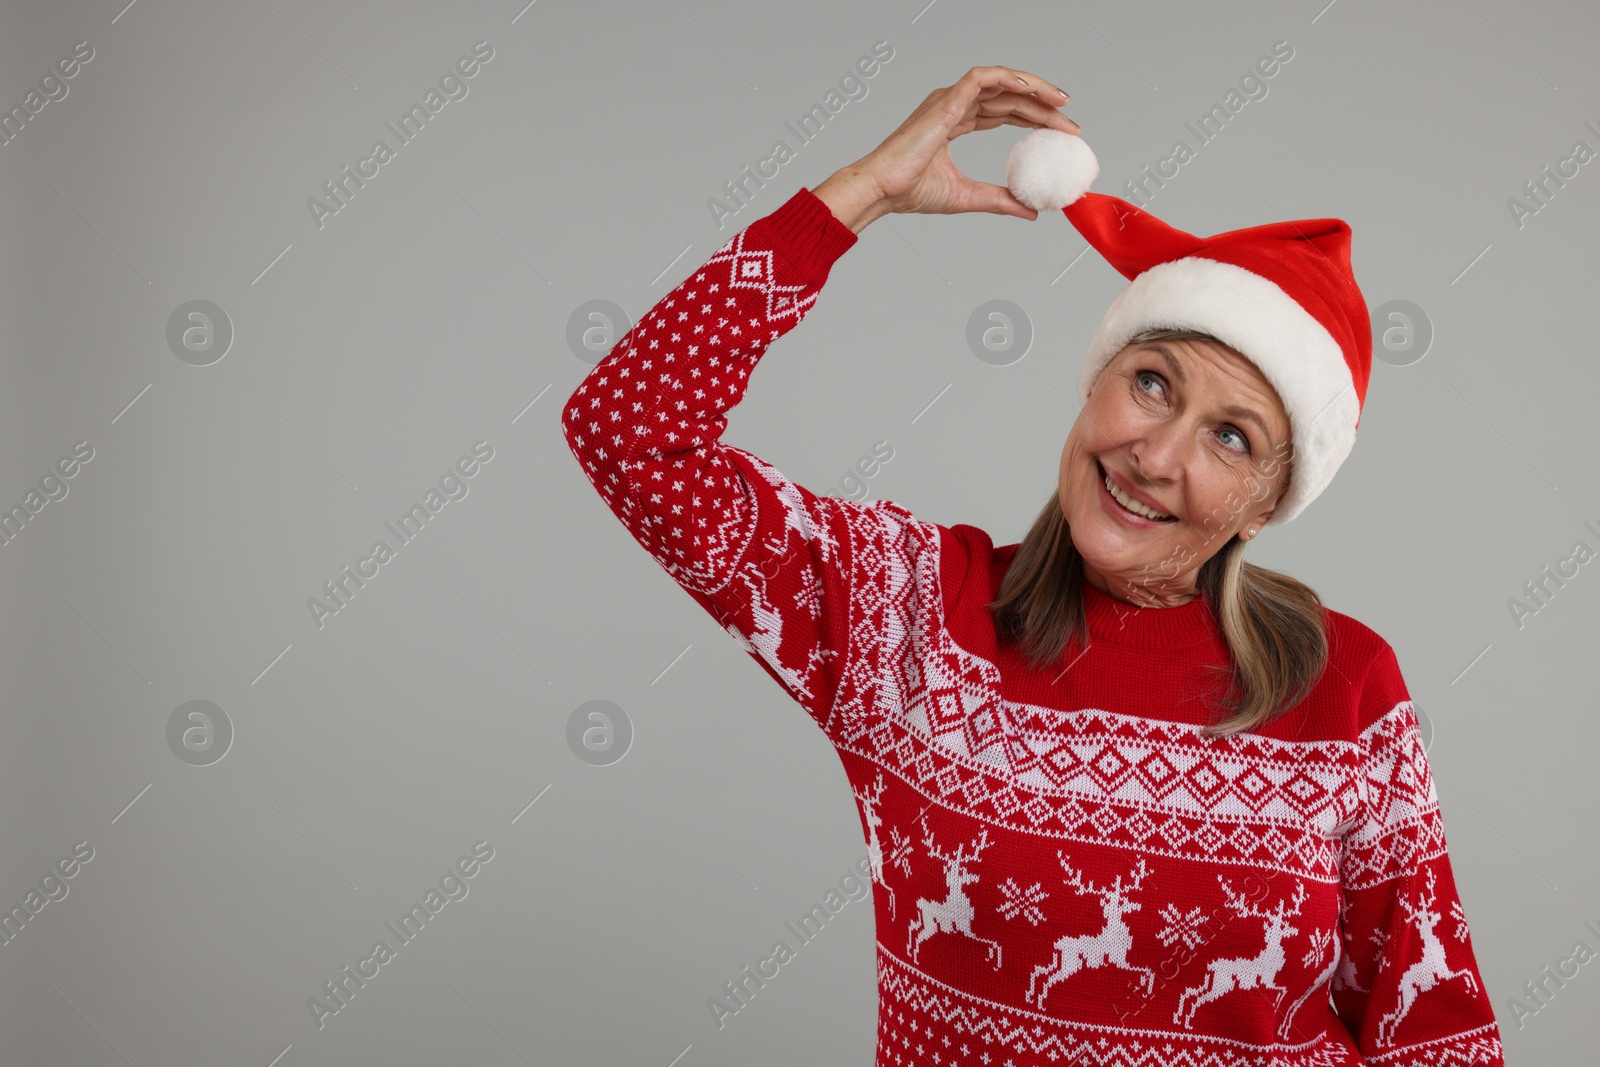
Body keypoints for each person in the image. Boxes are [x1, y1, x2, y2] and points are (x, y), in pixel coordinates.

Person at [562, 65, 1504, 1065]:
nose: (1156, 453)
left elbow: (1430, 1024)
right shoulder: (912, 614)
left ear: (1267, 504)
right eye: (1151, 383)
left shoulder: (1345, 684)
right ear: (1094, 384)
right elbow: (631, 431)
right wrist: (862, 195)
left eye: (1229, 438)